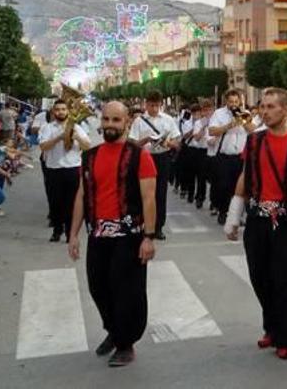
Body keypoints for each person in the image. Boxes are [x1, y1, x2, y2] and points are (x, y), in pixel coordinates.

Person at [223, 88, 287, 360]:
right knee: (259, 277)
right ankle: (272, 326)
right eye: (262, 106)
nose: (265, 111)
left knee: (284, 280)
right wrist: (233, 216)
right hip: (257, 219)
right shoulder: (253, 142)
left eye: (271, 106)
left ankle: (285, 338)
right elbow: (244, 177)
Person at [67, 101, 158, 368]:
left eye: (116, 120)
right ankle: (114, 330)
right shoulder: (90, 156)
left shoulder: (139, 156)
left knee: (127, 292)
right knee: (99, 288)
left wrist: (149, 237)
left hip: (129, 236)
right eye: (106, 119)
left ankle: (125, 343)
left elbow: (149, 198)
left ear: (127, 122)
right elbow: (82, 196)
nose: (109, 124)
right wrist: (72, 234)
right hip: (98, 235)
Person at [129, 90, 181, 241]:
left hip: (162, 158)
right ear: (146, 104)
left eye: (156, 105)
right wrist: (145, 140)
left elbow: (177, 143)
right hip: (145, 157)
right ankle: (143, 224)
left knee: (160, 193)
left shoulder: (168, 120)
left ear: (161, 105)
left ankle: (158, 227)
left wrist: (168, 143)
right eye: (151, 105)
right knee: (143, 193)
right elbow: (132, 144)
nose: (153, 108)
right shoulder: (139, 121)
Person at [39, 99, 91, 242]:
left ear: (67, 111)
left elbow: (87, 146)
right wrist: (59, 138)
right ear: (53, 112)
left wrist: (78, 137)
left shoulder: (76, 127)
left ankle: (69, 232)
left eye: (63, 109)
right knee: (55, 202)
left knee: (72, 203)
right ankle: (57, 229)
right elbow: (43, 147)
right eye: (57, 109)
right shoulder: (47, 128)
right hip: (53, 169)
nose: (60, 112)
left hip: (72, 169)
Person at [209, 89, 256, 225]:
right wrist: (229, 125)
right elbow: (212, 131)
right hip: (225, 156)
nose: (234, 104)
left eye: (236, 101)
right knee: (224, 186)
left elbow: (253, 130)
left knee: (241, 187)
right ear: (226, 102)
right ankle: (223, 211)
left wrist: (244, 122)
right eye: (231, 101)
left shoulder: (244, 113)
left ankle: (238, 214)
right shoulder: (219, 114)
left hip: (241, 156)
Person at [189, 101, 214, 209]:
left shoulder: (216, 121)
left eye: (209, 110)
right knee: (201, 177)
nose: (208, 112)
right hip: (201, 151)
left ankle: (214, 201)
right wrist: (204, 127)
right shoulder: (198, 123)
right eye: (205, 110)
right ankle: (200, 197)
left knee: (214, 178)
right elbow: (196, 138)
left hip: (213, 152)